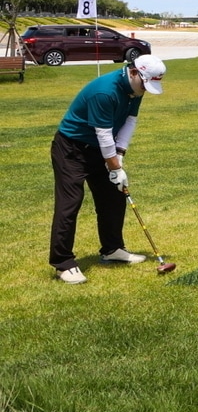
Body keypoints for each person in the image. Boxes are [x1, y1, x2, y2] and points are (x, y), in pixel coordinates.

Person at [49, 55, 167, 284]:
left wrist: (119, 157)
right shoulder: (105, 91)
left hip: (99, 148)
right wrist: (114, 166)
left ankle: (112, 249)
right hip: (72, 149)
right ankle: (62, 263)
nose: (145, 89)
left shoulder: (135, 89)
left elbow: (129, 121)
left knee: (114, 197)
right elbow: (103, 134)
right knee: (69, 204)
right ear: (133, 72)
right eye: (145, 83)